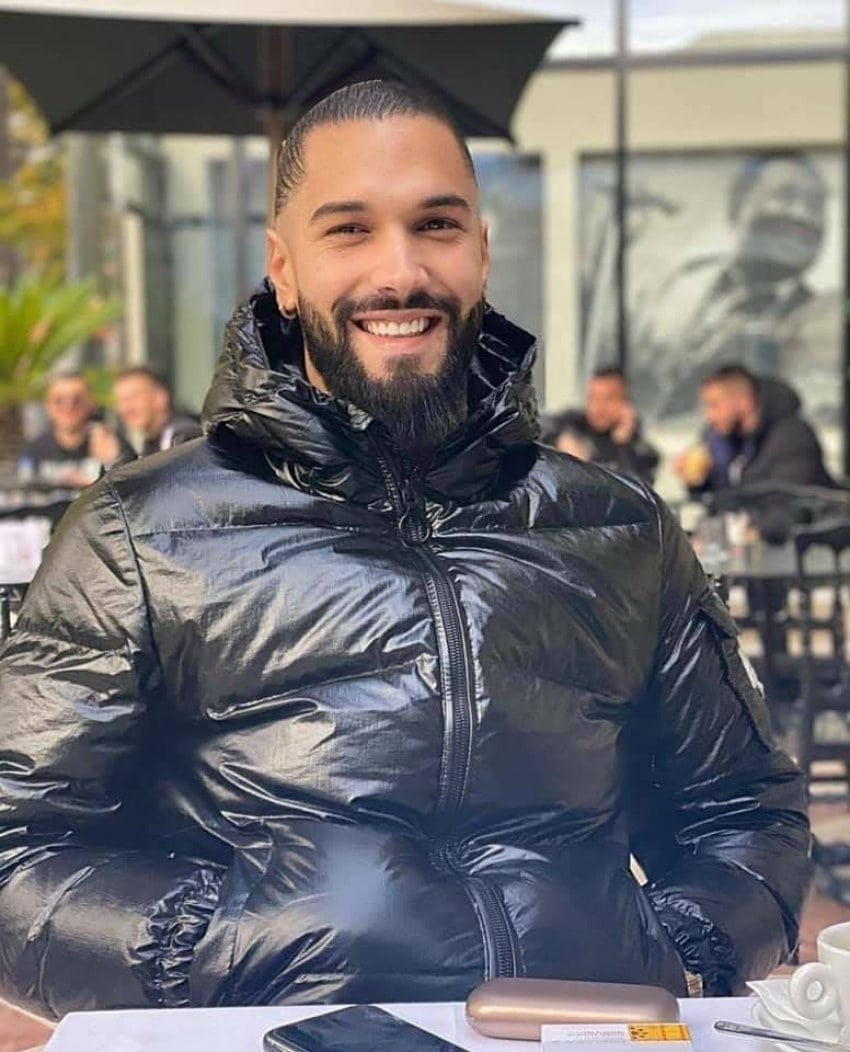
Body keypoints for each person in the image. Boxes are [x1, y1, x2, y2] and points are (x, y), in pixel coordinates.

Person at [0, 80, 809, 1019]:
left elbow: (746, 813)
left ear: (481, 253)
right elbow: (19, 848)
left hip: (580, 1036)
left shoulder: (619, 526)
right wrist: (226, 958)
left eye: (437, 225)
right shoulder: (140, 531)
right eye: (349, 229)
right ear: (283, 269)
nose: (401, 270)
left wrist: (679, 952)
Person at [631, 153, 835, 419]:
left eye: (815, 205)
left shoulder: (822, 319)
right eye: (785, 196)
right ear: (738, 206)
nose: (800, 214)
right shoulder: (678, 286)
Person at [675, 365, 833, 539]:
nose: (709, 416)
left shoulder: (792, 437)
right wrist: (698, 481)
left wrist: (736, 528)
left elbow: (789, 511)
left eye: (715, 405)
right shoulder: (720, 437)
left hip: (805, 549)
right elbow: (717, 502)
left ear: (744, 402)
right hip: (741, 546)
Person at [18, 372, 127, 487]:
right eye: (59, 400)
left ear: (91, 403)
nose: (68, 407)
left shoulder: (115, 445)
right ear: (48, 406)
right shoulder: (35, 450)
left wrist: (110, 463)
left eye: (77, 400)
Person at [552, 368, 659, 483]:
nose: (598, 408)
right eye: (593, 398)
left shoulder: (643, 453)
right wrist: (562, 440)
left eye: (608, 399)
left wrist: (623, 444)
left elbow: (631, 488)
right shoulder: (573, 424)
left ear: (626, 404)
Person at [113, 366, 203, 457]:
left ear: (160, 397)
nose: (125, 408)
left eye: (133, 397)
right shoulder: (152, 442)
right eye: (120, 401)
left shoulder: (181, 436)